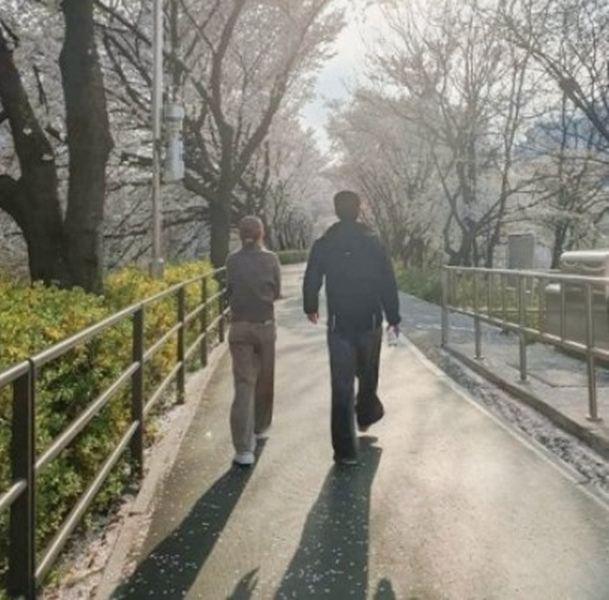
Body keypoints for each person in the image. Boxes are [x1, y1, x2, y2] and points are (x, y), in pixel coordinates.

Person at [303, 191, 401, 466]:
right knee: (369, 375)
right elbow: (387, 280)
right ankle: (366, 413)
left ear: (336, 211)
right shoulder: (373, 242)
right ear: (358, 210)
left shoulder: (325, 243)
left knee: (341, 386)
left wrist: (310, 306)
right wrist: (393, 315)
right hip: (370, 320)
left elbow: (312, 276)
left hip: (339, 323)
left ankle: (345, 451)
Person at [226, 216, 281, 467]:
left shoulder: (232, 260)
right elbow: (277, 291)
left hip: (239, 326)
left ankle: (243, 449)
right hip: (265, 325)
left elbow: (229, 289)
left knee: (243, 384)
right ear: (261, 233)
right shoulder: (271, 259)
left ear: (240, 235)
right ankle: (260, 427)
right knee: (265, 379)